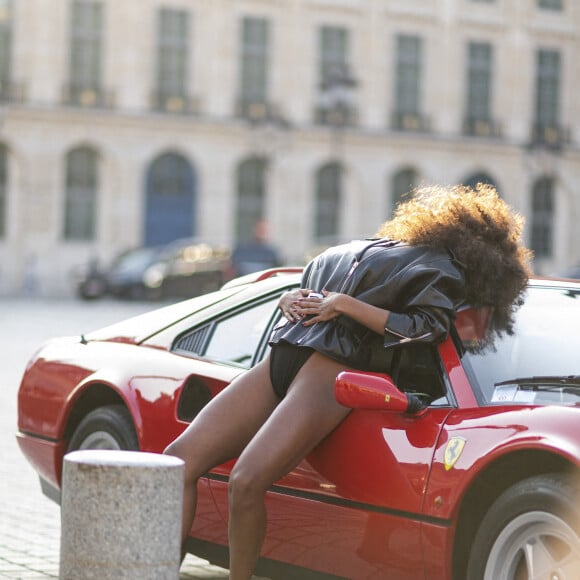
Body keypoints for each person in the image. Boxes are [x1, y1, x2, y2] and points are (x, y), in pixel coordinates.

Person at [164, 183, 532, 579]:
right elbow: (317, 295)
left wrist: (341, 304)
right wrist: (288, 299)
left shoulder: (440, 270)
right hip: (283, 357)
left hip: (328, 371)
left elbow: (425, 329)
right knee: (175, 463)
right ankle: (155, 569)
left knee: (246, 481)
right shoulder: (382, 248)